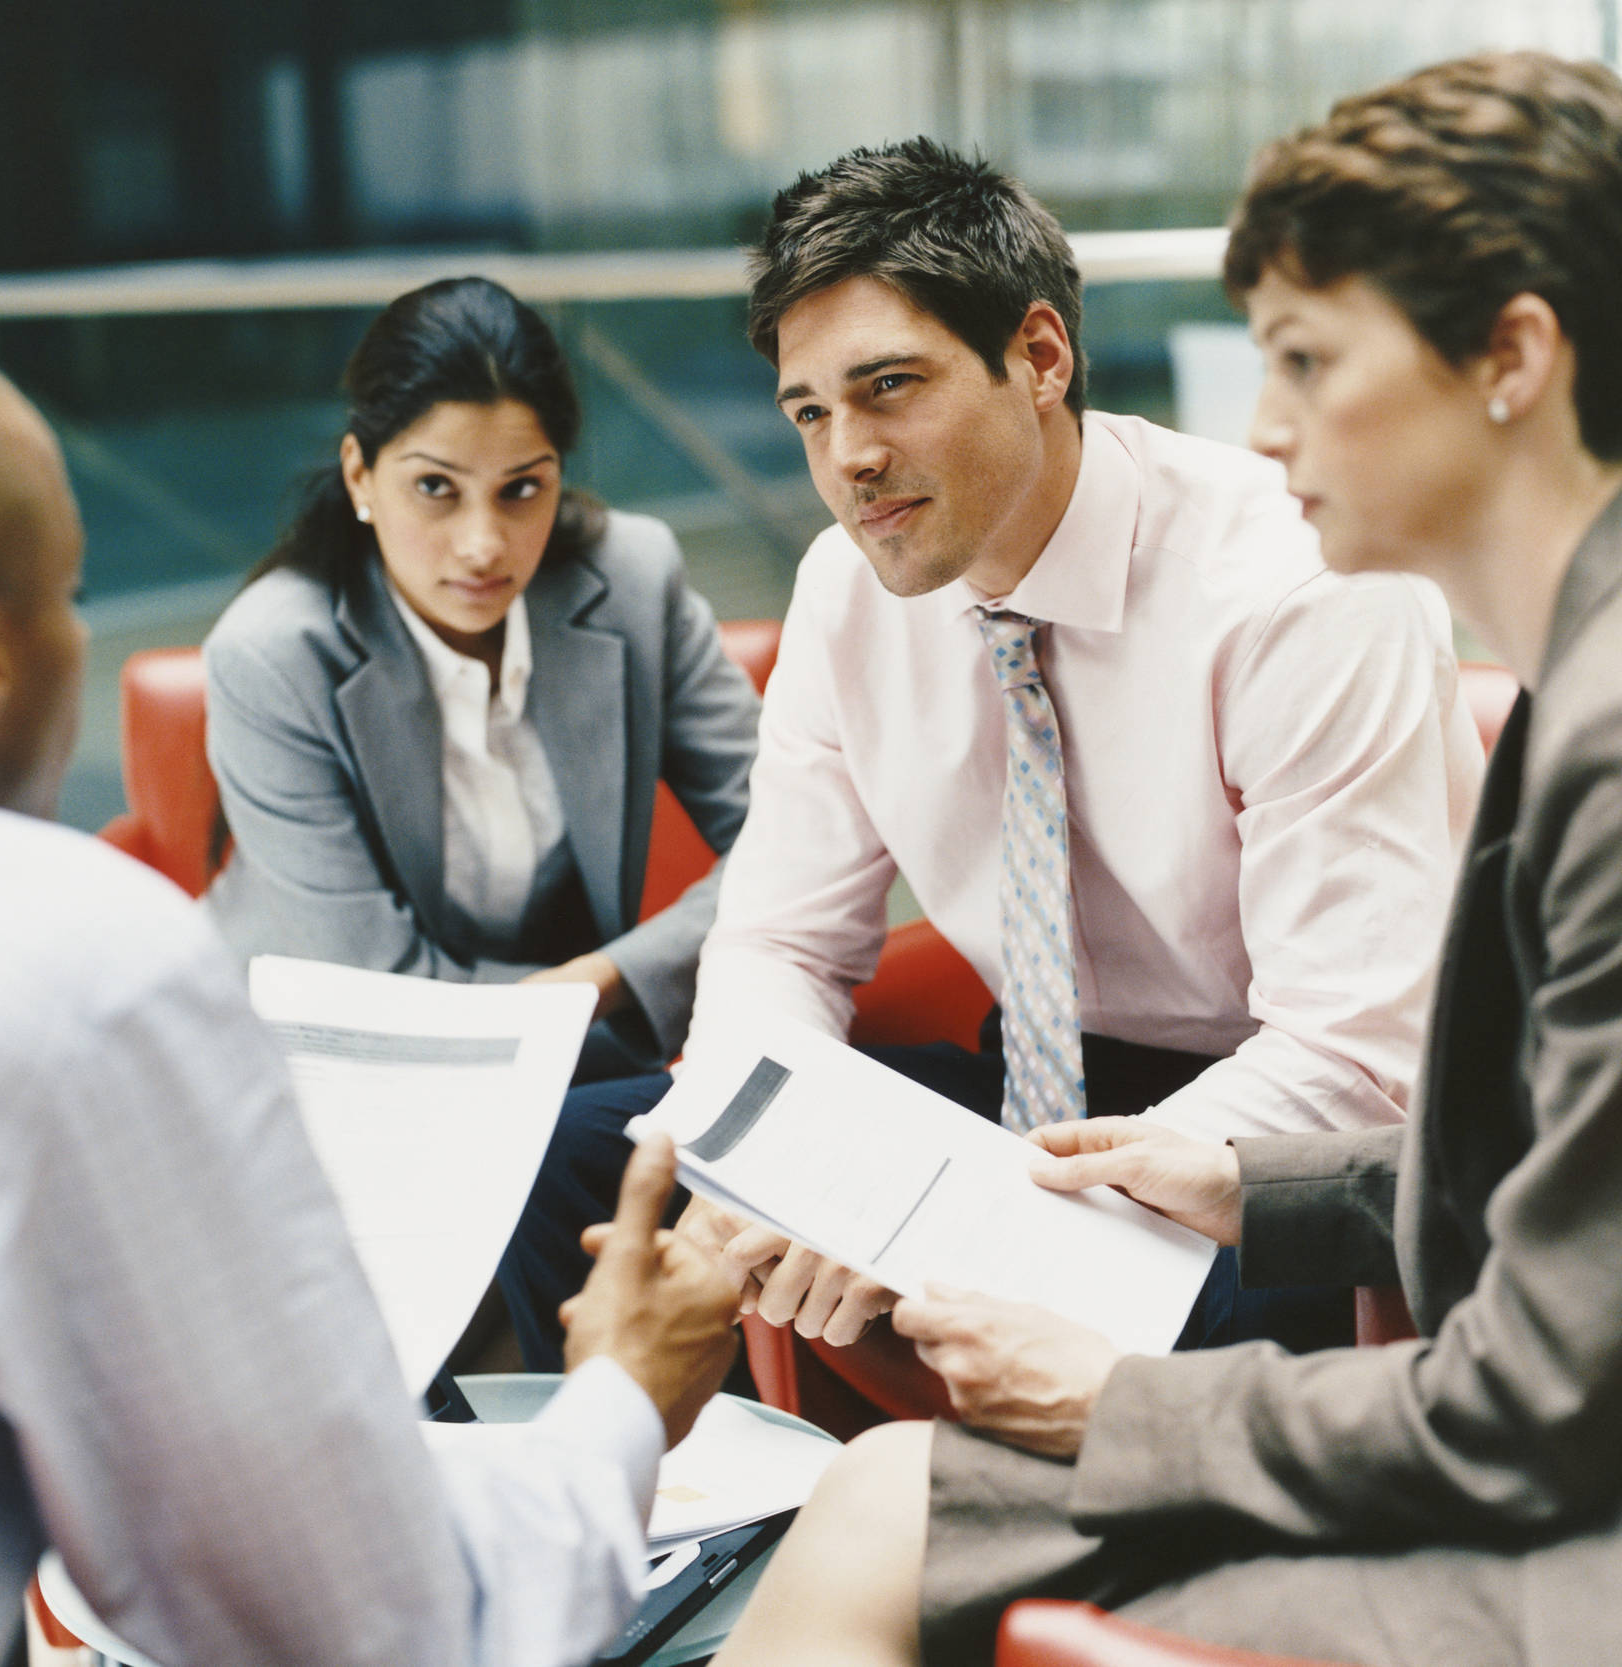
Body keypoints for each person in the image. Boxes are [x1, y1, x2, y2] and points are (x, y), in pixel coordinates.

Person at [714, 50, 1622, 1667]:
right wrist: (1248, 1184)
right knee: (879, 1505)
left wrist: (1122, 1403)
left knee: (890, 1527)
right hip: (1560, 1414)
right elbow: (1599, 1176)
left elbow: (1528, 1409)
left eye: (1304, 360)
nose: (1258, 425)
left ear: (1509, 359)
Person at [0, 328, 741, 1667]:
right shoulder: (44, 953)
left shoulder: (629, 580)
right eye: (68, 597)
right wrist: (624, 1399)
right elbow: (366, 1622)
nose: (482, 537)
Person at [507, 137, 1483, 1366]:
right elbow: (781, 943)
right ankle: (670, 1525)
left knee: (1163, 1317)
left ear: (1037, 355)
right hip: (1036, 1082)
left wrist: (967, 1218)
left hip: (1277, 1133)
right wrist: (762, 1166)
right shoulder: (844, 593)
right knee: (569, 1159)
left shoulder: (1297, 586)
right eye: (810, 411)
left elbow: (1351, 1059)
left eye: (888, 388)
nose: (844, 457)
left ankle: (960, 1533)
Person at [202, 276, 761, 1085]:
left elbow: (791, 840)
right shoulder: (272, 654)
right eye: (436, 488)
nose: (483, 544)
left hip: (565, 1057)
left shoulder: (633, 581)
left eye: (521, 489)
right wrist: (591, 1012)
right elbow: (376, 986)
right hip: (311, 1071)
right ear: (360, 475)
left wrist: (599, 979)